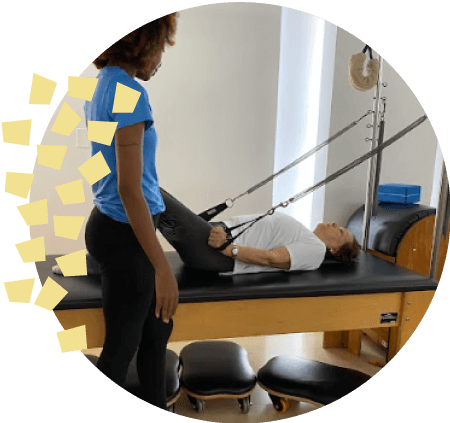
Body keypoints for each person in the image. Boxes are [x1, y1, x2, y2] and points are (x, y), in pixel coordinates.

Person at [82, 16, 179, 411]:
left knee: (156, 334)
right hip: (126, 234)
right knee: (119, 353)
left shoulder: (102, 85)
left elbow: (107, 171)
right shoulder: (128, 92)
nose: (160, 59)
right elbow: (128, 188)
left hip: (112, 226)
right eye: (161, 47)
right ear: (145, 42)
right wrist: (163, 268)